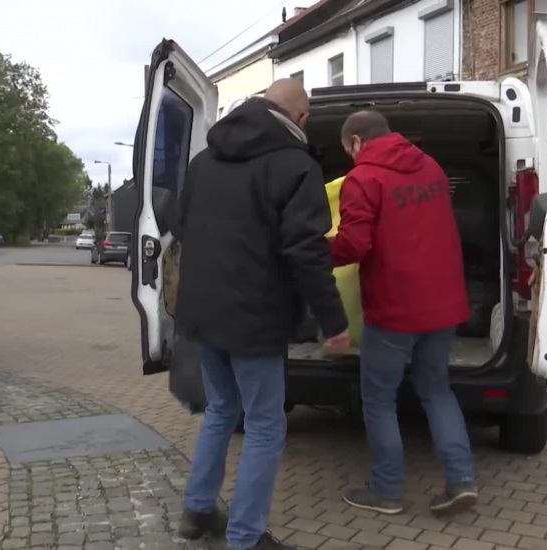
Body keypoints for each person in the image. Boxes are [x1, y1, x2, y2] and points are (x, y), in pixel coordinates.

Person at [175, 79, 350, 550]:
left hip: (201, 313)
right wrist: (333, 321)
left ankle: (198, 511)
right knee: (266, 425)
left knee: (219, 411)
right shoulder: (295, 165)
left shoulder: (204, 160)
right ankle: (246, 539)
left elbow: (180, 224)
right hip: (254, 319)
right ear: (301, 119)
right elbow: (307, 251)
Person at [329, 110, 477, 516]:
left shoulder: (363, 179)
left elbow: (354, 245)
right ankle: (461, 481)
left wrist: (314, 252)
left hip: (394, 309)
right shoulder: (430, 166)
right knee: (436, 390)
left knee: (379, 399)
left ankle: (386, 491)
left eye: (348, 150)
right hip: (443, 304)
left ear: (357, 142)